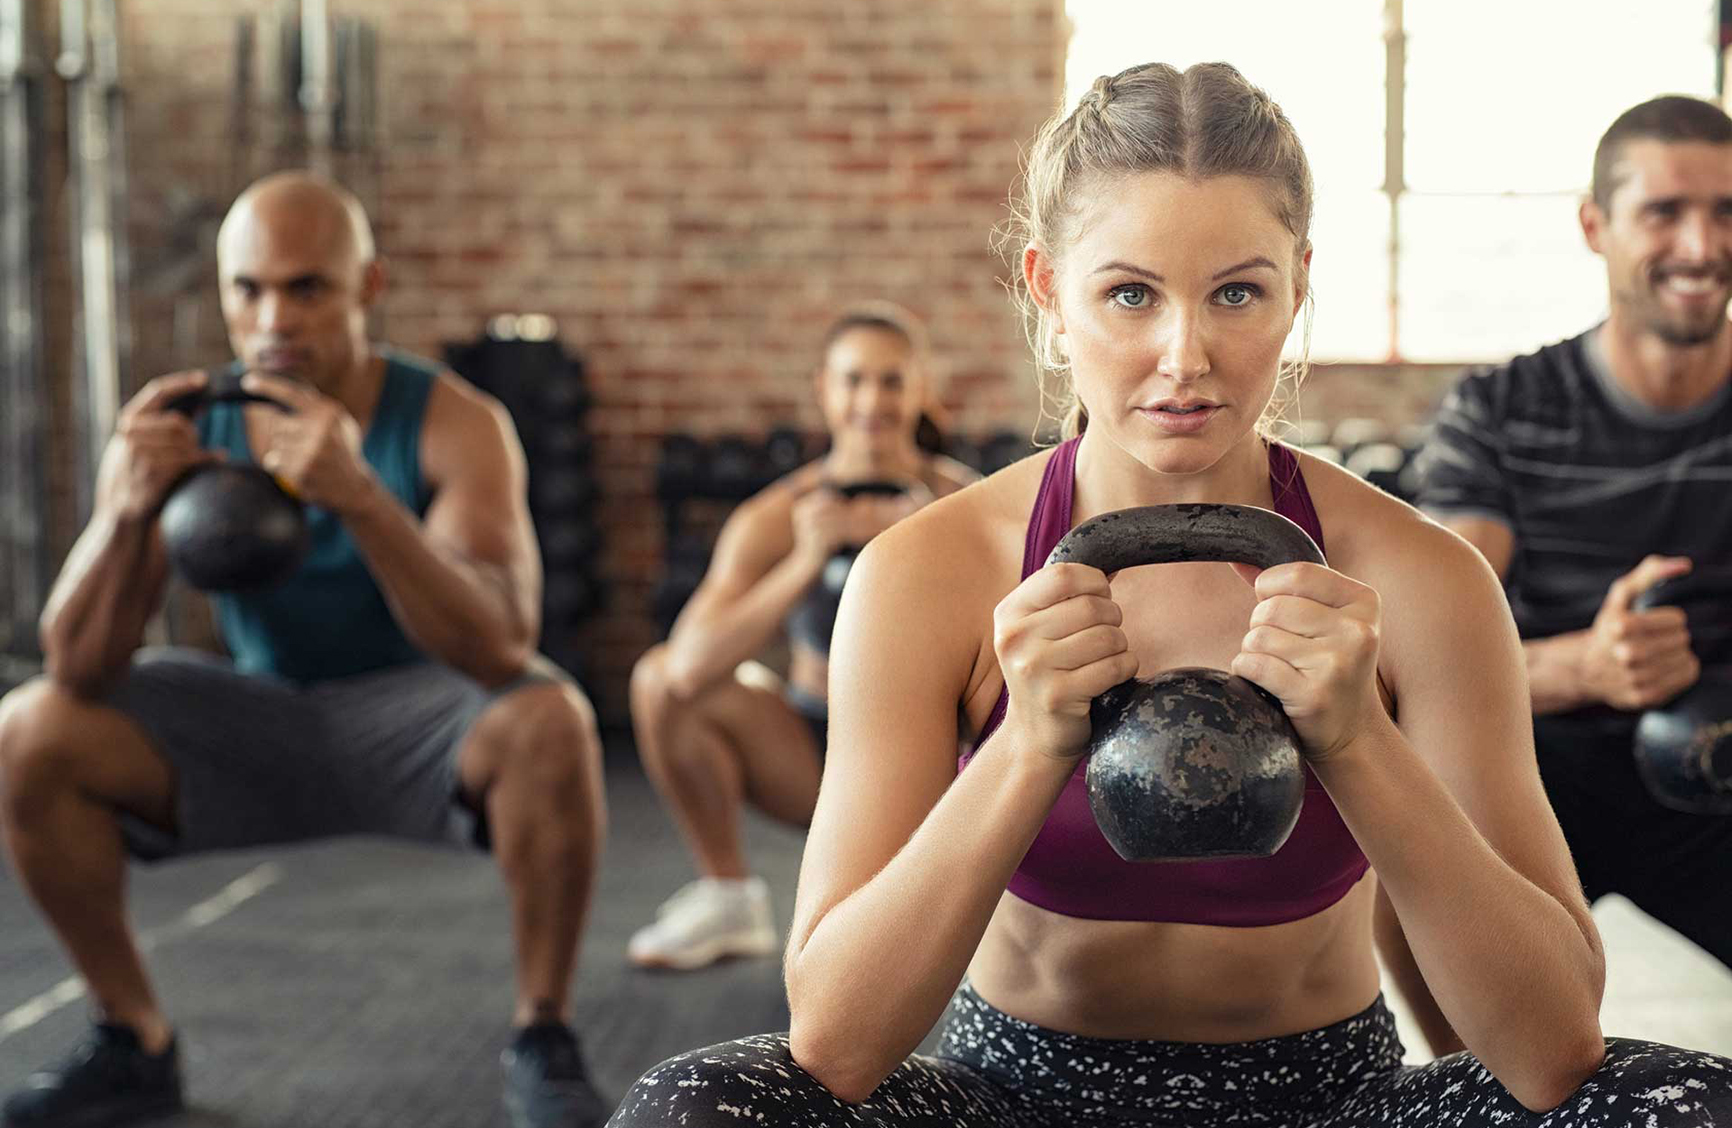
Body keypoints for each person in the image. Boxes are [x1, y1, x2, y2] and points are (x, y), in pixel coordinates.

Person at [608, 63, 1732, 1127]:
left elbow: (1550, 1054)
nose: (1184, 355)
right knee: (693, 1108)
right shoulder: (929, 573)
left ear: (1298, 286)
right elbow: (839, 1043)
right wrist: (1024, 744)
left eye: (1236, 291)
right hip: (1013, 1096)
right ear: (1050, 291)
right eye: (1130, 294)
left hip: (1327, 1098)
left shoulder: (1420, 580)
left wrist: (1356, 742)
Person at [0, 172, 609, 1128]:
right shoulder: (184, 427)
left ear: (369, 288)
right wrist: (124, 513)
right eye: (249, 290)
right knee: (28, 728)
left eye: (307, 287)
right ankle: (133, 1040)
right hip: (255, 717)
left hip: (420, 718)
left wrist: (365, 499)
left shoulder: (456, 423)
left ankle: (543, 1032)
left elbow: (501, 649)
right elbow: (77, 668)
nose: (273, 317)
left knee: (553, 717)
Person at [1386, 94, 1732, 1056]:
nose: (1701, 246)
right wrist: (1588, 666)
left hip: (1717, 776)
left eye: (1727, 212)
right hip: (1533, 777)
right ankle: (1482, 1095)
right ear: (1598, 226)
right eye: (1665, 212)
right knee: (1406, 824)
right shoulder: (1501, 411)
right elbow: (1418, 661)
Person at [627, 305, 977, 971]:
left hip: (935, 758)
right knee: (654, 678)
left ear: (922, 388)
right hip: (813, 751)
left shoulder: (964, 505)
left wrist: (928, 548)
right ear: (823, 389)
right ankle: (729, 897)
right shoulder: (775, 516)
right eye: (853, 381)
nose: (871, 401)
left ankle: (999, 902)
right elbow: (686, 668)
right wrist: (804, 560)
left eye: (891, 381)